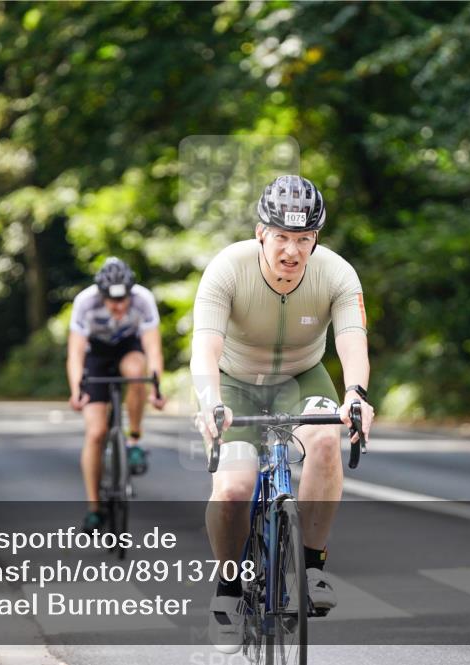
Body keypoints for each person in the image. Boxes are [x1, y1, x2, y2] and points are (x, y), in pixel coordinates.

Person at [190, 175, 375, 653]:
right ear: (260, 233)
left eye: (304, 239)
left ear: (315, 239)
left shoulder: (337, 274)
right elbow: (204, 348)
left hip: (301, 379)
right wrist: (210, 401)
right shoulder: (226, 269)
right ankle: (228, 594)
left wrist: (355, 394)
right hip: (235, 384)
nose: (292, 251)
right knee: (233, 486)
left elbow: (352, 341)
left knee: (326, 437)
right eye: (282, 238)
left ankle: (311, 564)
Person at [67, 257, 167, 533]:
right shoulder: (84, 302)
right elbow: (75, 353)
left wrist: (156, 389)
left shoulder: (143, 300)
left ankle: (134, 441)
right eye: (112, 302)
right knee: (96, 432)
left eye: (123, 300)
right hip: (95, 356)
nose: (119, 307)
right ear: (101, 295)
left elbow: (153, 350)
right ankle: (94, 508)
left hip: (127, 348)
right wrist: (77, 390)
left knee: (137, 371)